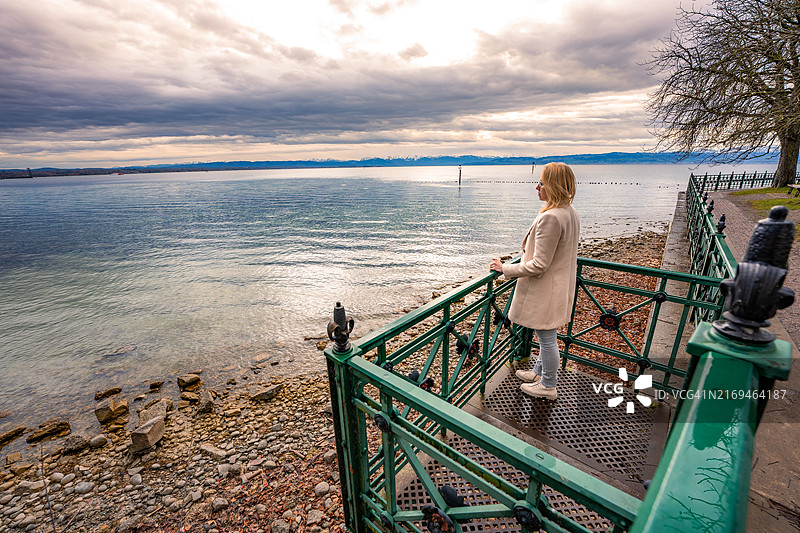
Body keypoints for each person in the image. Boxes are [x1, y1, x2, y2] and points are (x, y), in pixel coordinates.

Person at [489, 162, 580, 400]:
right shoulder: (569, 211)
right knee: (547, 337)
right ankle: (539, 373)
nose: (537, 187)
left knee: (547, 340)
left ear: (554, 186)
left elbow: (539, 264)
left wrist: (505, 269)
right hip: (559, 286)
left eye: (541, 183)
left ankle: (548, 386)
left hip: (547, 290)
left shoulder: (551, 217)